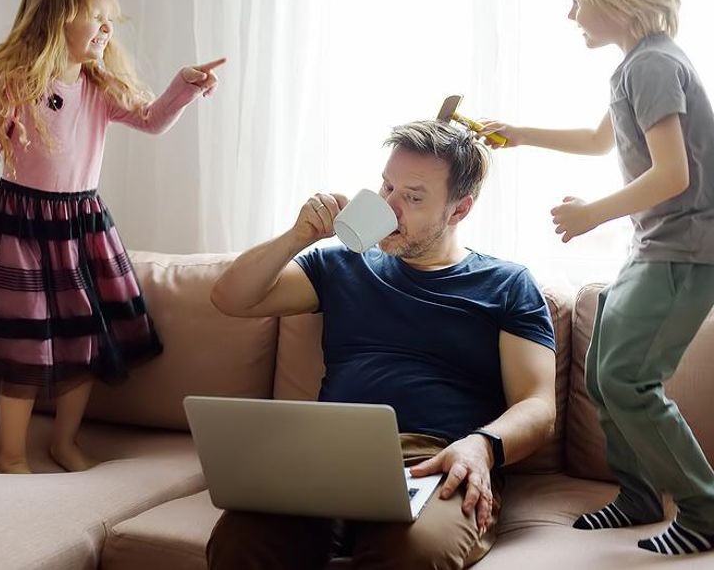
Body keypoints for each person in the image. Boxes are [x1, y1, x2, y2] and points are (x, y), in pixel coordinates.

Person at [479, 0, 714, 555]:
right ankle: (640, 495)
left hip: (686, 249)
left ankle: (706, 512)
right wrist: (520, 133)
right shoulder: (638, 63)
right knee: (603, 375)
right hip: (658, 247)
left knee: (627, 379)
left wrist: (594, 213)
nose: (570, 14)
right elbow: (602, 142)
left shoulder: (653, 63)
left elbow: (673, 173)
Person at [207, 120, 557, 569]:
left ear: (459, 209)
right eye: (386, 187)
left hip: (436, 460)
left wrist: (482, 445)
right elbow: (231, 298)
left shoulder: (506, 284)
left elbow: (538, 405)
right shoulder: (341, 264)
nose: (390, 208)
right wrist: (300, 236)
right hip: (328, 454)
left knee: (414, 551)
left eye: (412, 197)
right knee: (240, 541)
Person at [0, 0, 224, 474]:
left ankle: (64, 441)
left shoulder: (98, 86)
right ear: (57, 18)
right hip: (20, 223)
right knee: (22, 338)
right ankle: (10, 455)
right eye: (96, 16)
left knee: (86, 336)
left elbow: (152, 119)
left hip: (81, 223)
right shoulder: (17, 81)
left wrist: (182, 86)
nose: (106, 28)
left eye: (108, 19)